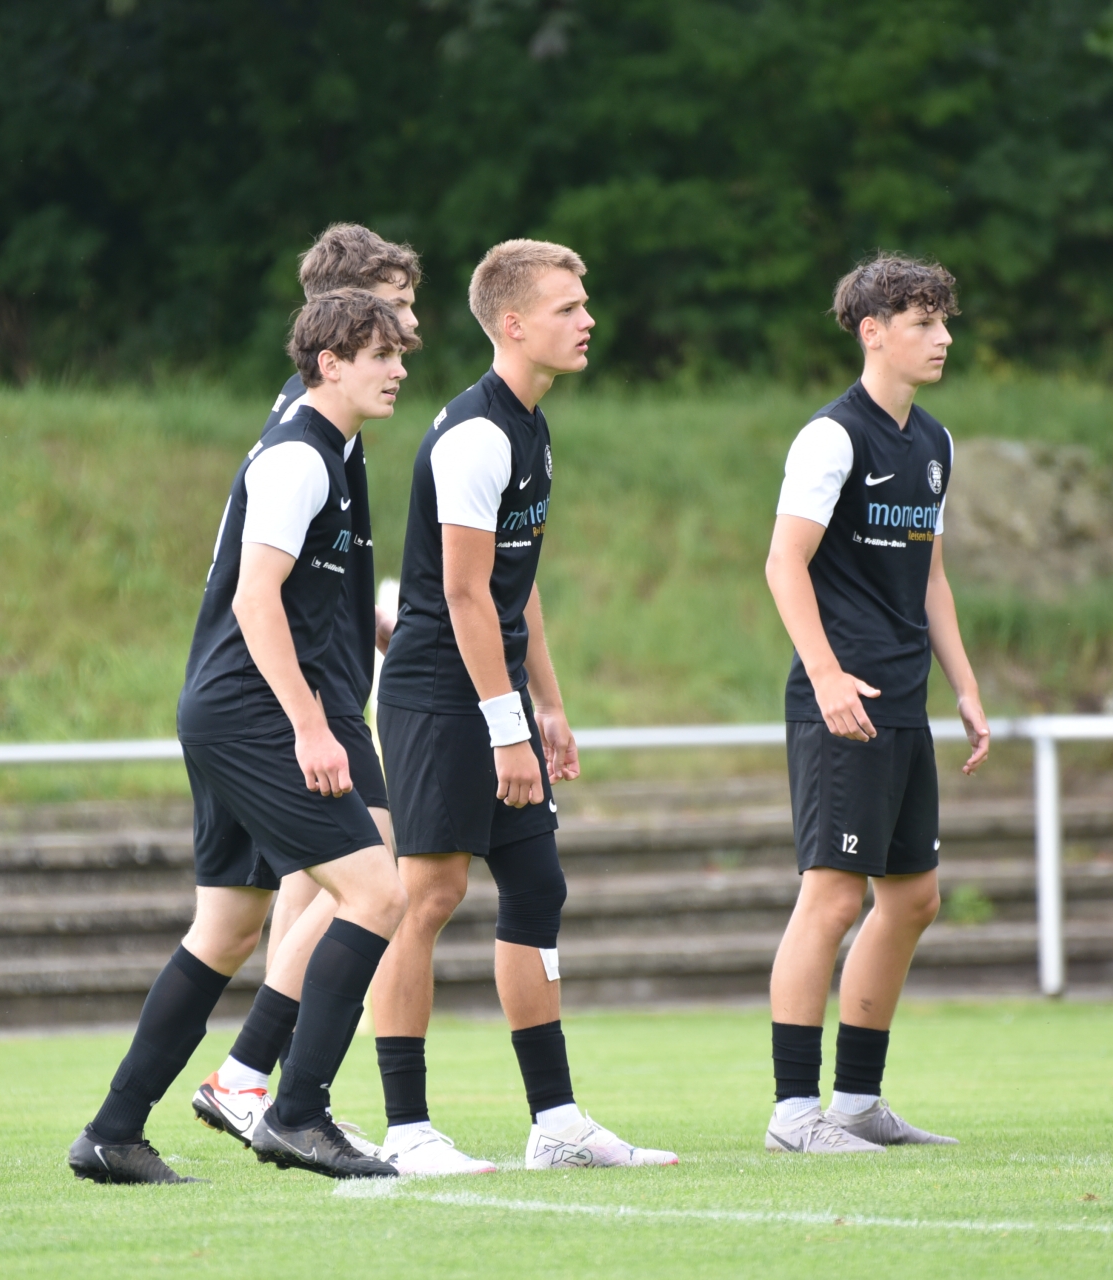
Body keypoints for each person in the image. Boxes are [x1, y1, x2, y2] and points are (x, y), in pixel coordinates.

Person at [68, 289, 417, 1184]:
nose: (399, 369)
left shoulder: (328, 450)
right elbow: (255, 599)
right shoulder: (300, 457)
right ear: (330, 362)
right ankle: (297, 1115)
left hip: (228, 709)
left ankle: (111, 1134)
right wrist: (311, 725)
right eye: (382, 354)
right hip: (254, 712)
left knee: (225, 930)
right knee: (377, 893)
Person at [372, 239, 678, 1172]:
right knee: (429, 897)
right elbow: (464, 596)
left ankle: (558, 1123)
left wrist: (549, 703)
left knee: (538, 888)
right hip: (438, 696)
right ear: (512, 324)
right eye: (566, 308)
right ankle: (406, 1129)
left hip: (496, 694)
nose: (588, 321)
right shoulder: (476, 434)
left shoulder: (531, 427)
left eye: (584, 304)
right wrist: (507, 728)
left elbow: (517, 584)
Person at [191, 226, 424, 1165]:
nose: (410, 328)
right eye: (394, 307)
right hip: (292, 696)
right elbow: (255, 580)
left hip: (319, 681)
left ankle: (262, 1084)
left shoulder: (332, 421)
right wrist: (306, 718)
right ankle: (258, 1083)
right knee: (358, 878)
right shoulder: (307, 426)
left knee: (317, 887)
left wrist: (364, 620)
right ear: (340, 316)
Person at [761, 253, 991, 1155]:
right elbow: (783, 562)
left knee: (915, 898)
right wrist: (824, 676)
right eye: (923, 322)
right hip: (842, 701)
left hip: (903, 701)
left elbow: (930, 577)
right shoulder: (831, 438)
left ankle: (857, 1102)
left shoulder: (933, 442)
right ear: (873, 331)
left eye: (944, 321)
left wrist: (964, 684)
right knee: (831, 900)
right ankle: (794, 1114)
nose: (942, 338)